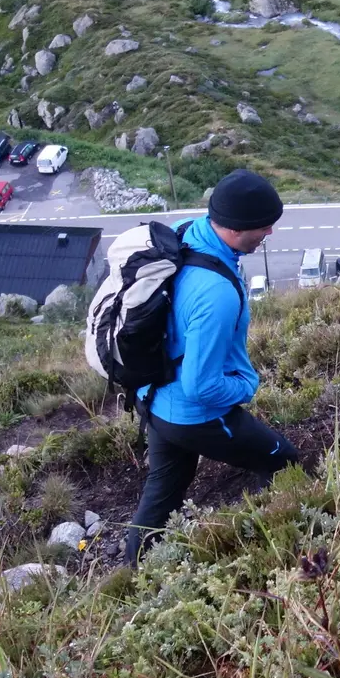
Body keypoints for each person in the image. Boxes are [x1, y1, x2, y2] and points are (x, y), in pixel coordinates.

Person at [125, 168, 301, 566]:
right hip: (194, 414)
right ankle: (268, 549)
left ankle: (131, 574)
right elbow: (201, 387)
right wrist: (247, 386)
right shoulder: (216, 293)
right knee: (283, 461)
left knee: (163, 494)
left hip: (153, 399)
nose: (269, 233)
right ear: (238, 229)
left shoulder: (185, 234)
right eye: (264, 227)